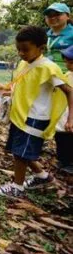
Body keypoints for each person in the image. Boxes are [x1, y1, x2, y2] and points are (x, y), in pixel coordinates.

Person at [0, 26, 73, 198]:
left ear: (41, 47)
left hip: (35, 117)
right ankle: (42, 176)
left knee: (21, 153)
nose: (21, 53)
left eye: (26, 49)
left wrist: (70, 119)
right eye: (19, 50)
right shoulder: (24, 64)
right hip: (21, 115)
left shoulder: (48, 68)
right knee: (21, 150)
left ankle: (17, 187)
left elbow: (68, 90)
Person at [43, 2, 73, 172]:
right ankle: (63, 156)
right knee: (56, 119)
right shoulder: (46, 35)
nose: (53, 18)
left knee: (66, 120)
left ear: (67, 16)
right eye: (49, 15)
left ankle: (67, 161)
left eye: (58, 14)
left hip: (68, 81)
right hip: (50, 81)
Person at [55, 45, 73, 174]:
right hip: (63, 113)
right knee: (60, 137)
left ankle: (70, 163)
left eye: (70, 62)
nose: (67, 64)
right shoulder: (67, 75)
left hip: (70, 115)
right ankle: (63, 160)